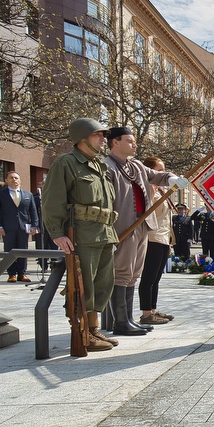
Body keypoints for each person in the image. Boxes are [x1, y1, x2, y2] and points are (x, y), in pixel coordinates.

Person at [40, 118, 119, 352]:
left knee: (103, 284)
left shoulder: (99, 166)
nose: (103, 139)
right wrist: (57, 234)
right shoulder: (66, 163)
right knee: (83, 286)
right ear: (82, 138)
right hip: (82, 236)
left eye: (103, 135)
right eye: (98, 135)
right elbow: (52, 201)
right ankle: (82, 332)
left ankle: (93, 329)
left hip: (104, 233)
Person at [104, 127, 188, 336]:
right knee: (122, 272)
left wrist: (172, 179)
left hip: (142, 225)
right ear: (115, 142)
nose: (134, 144)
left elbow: (157, 175)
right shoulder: (107, 167)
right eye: (129, 141)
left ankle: (129, 319)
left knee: (134, 274)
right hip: (123, 227)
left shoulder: (137, 166)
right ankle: (120, 321)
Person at [138, 156, 174, 327]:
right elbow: (146, 210)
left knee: (156, 278)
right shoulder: (146, 189)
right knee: (149, 277)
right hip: (152, 238)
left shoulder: (160, 191)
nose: (162, 174)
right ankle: (146, 313)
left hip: (163, 238)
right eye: (159, 171)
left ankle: (153, 310)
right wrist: (151, 189)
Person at [0, 172, 39, 282]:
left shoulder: (28, 195)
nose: (14, 180)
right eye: (11, 178)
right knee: (9, 250)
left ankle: (22, 273)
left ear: (20, 180)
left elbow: (33, 212)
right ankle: (11, 274)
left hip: (23, 227)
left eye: (16, 178)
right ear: (6, 180)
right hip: (7, 227)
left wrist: (34, 225)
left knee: (23, 250)